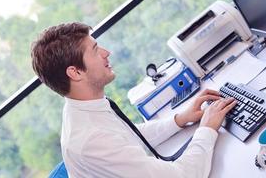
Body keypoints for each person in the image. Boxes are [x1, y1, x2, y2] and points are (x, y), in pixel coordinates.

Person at [31, 22, 237, 178]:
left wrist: (180, 119)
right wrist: (208, 128)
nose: (106, 53)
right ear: (75, 72)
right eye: (95, 50)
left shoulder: (84, 106)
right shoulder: (90, 139)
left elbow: (129, 136)